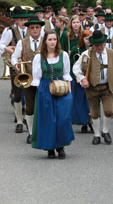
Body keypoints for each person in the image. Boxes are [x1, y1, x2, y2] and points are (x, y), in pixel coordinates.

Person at [30, 29, 74, 159]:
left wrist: (69, 94)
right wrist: (43, 93)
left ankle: (61, 146)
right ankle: (50, 148)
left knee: (63, 118)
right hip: (45, 89)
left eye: (55, 39)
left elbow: (67, 74)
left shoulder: (64, 55)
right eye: (50, 39)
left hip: (61, 88)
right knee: (48, 120)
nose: (52, 42)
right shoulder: (39, 57)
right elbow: (36, 78)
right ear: (45, 41)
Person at [72, 30, 113, 145]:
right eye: (97, 45)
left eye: (101, 44)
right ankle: (96, 134)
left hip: (106, 87)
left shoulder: (110, 53)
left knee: (109, 111)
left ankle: (105, 131)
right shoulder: (86, 54)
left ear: (104, 43)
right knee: (94, 113)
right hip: (92, 88)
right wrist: (82, 78)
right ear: (93, 44)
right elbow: (75, 68)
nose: (100, 47)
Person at [11, 15, 44, 143]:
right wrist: (16, 65)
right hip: (28, 80)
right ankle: (31, 132)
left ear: (40, 29)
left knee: (43, 107)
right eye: (32, 28)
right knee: (30, 107)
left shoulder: (47, 40)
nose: (35, 30)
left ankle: (42, 131)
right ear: (29, 29)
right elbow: (14, 57)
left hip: (43, 80)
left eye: (37, 27)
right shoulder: (22, 42)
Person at [70, 30, 94, 133]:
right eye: (85, 38)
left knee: (92, 102)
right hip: (80, 80)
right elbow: (72, 65)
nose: (88, 41)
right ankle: (83, 123)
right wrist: (76, 76)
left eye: (89, 38)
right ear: (82, 39)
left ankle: (92, 122)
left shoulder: (94, 49)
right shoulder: (77, 50)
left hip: (91, 79)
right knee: (81, 103)